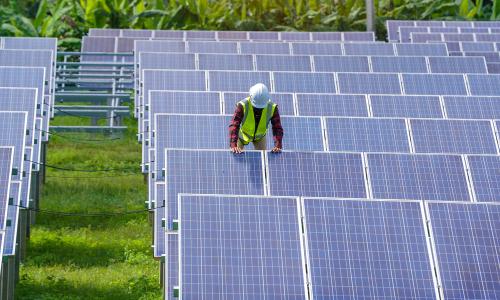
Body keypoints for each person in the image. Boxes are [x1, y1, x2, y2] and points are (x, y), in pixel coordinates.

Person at [229, 83, 283, 154]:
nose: (258, 109)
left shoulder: (272, 108)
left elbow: (277, 128)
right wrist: (233, 145)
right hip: (242, 135)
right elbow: (234, 125)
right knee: (235, 154)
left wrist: (278, 145)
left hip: (260, 137)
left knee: (262, 160)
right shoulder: (242, 105)